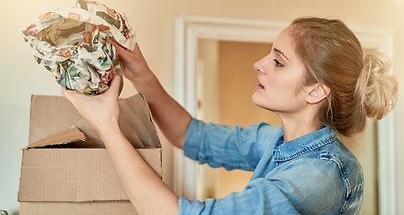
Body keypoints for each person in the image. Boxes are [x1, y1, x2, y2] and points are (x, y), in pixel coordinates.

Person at [61, 17, 398, 215]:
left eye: (278, 62)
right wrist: (142, 75)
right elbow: (190, 134)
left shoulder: (319, 176)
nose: (260, 64)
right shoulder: (277, 141)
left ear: (315, 91)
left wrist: (106, 123)